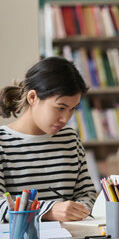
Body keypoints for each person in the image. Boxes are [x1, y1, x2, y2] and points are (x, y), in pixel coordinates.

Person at [0, 57, 97, 222]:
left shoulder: (70, 139)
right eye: (60, 108)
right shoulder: (3, 143)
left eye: (73, 109)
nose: (66, 118)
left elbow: (87, 194)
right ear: (32, 98)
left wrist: (80, 209)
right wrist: (48, 212)